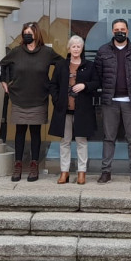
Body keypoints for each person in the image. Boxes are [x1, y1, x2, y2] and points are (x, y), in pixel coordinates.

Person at [1, 22, 63, 182]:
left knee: (35, 132)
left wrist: (52, 84)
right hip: (19, 97)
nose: (26, 35)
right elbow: (2, 64)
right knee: (20, 132)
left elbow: (62, 64)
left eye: (29, 32)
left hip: (39, 97)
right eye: (24, 32)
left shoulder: (47, 52)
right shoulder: (16, 52)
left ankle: (34, 165)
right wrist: (5, 82)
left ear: (36, 34)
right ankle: (18, 165)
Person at [92, 18, 131, 185]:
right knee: (108, 138)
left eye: (122, 29)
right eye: (116, 29)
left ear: (128, 31)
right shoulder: (103, 51)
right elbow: (98, 74)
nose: (119, 32)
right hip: (110, 101)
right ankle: (106, 172)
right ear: (112, 31)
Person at [48, 35, 98, 185]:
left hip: (82, 110)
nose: (76, 49)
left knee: (82, 141)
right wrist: (57, 101)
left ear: (82, 49)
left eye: (79, 46)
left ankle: (82, 172)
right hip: (64, 110)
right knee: (65, 141)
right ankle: (64, 172)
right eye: (73, 46)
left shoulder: (89, 65)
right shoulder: (61, 65)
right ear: (69, 48)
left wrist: (85, 86)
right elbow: (53, 85)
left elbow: (97, 82)